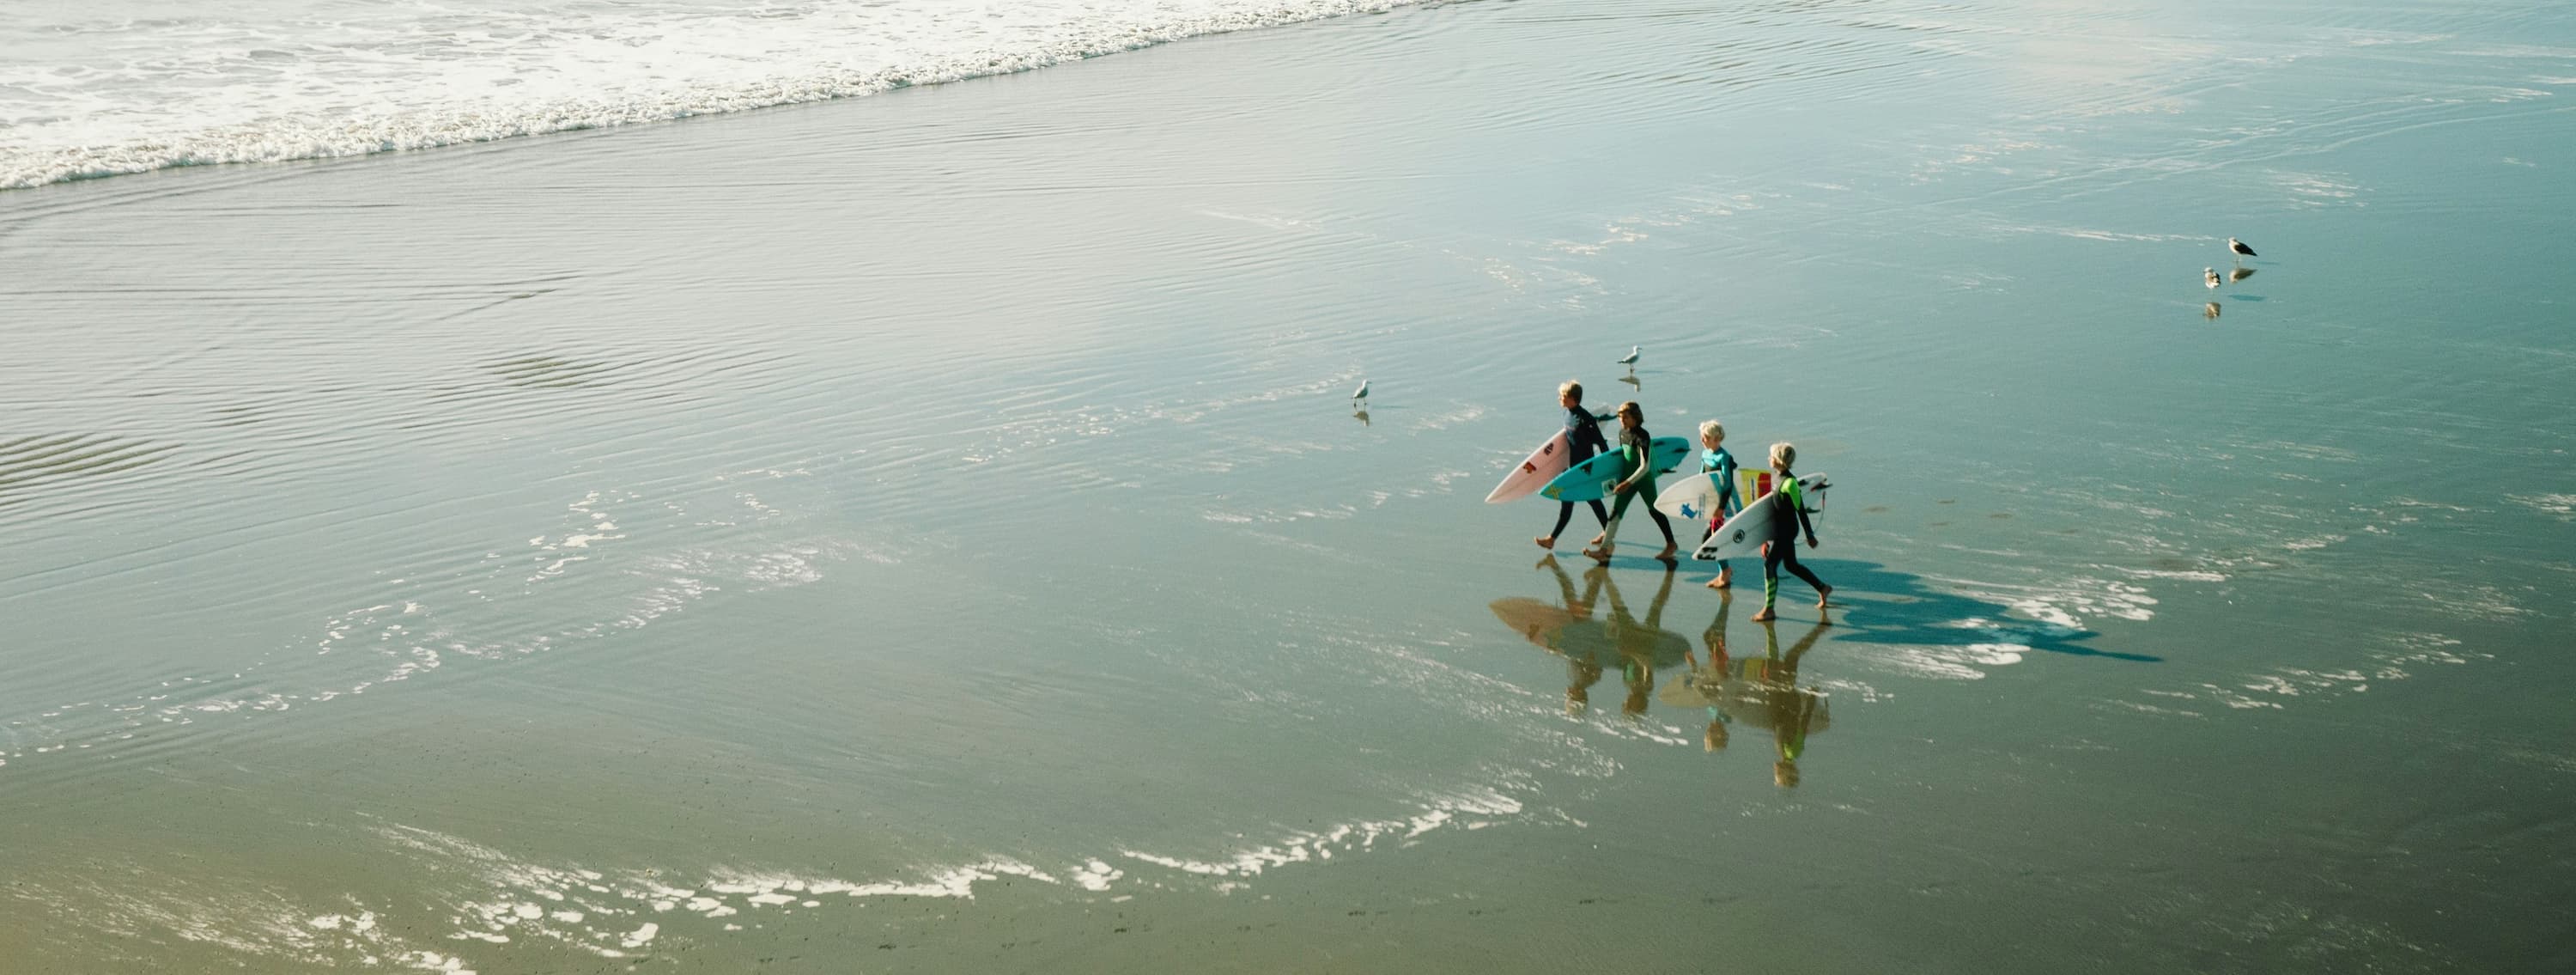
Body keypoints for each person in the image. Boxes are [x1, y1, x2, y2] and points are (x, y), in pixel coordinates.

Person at [1584, 401, 1678, 564]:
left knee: (1654, 511)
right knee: (1615, 513)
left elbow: (1645, 466)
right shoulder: (1622, 433)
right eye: (1620, 417)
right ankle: (1604, 550)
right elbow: (1623, 458)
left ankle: (1671, 544)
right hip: (1626, 479)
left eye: (1626, 417)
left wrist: (1627, 483)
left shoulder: (1642, 436)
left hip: (1643, 480)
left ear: (1635, 417)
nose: (1622, 420)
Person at [1750, 442, 1831, 622]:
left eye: (1771, 456)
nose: (1768, 458)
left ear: (1778, 460)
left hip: (1787, 531)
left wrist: (1810, 535)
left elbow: (1801, 510)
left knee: (1770, 566)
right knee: (1791, 565)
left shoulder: (1789, 483)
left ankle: (1769, 609)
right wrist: (1766, 540)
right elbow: (1768, 512)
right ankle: (1822, 588)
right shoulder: (1775, 478)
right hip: (1778, 530)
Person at [1535, 381, 1613, 551]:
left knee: (1591, 500)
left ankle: (1608, 540)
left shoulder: (1585, 419)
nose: (1559, 398)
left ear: (1572, 399)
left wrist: (1605, 467)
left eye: (1562, 396)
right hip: (1571, 467)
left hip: (1585, 468)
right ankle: (1552, 539)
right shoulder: (1567, 414)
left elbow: (1601, 443)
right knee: (1572, 501)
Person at [1694, 420, 1741, 590]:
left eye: (1705, 437)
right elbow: (1701, 477)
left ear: (1716, 438)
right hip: (1711, 503)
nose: (1702, 439)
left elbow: (1727, 484)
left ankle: (1725, 572)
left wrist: (1721, 508)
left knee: (1713, 539)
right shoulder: (1705, 454)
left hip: (1724, 505)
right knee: (1710, 539)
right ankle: (1724, 571)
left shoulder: (1724, 457)